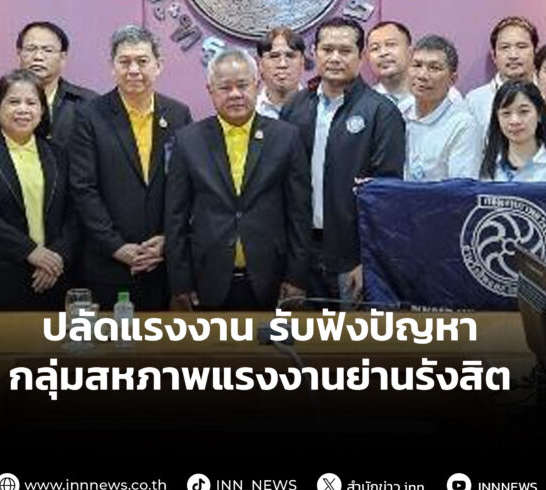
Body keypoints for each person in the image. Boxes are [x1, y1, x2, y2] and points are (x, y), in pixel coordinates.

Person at [165, 49, 310, 309]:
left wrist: (297, 276)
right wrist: (180, 281)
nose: (235, 94)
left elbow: (299, 214)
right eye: (224, 87)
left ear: (256, 84)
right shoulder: (188, 141)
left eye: (242, 85)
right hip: (206, 277)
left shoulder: (286, 137)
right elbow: (175, 217)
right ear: (210, 91)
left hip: (272, 277)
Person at [280, 16, 405, 302]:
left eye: (345, 51)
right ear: (314, 53)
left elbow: (386, 195)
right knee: (302, 330)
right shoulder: (295, 108)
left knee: (351, 332)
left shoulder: (382, 113)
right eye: (327, 49)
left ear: (361, 56)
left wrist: (368, 259)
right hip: (300, 251)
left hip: (353, 258)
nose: (335, 58)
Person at [70, 25, 191, 310]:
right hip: (109, 263)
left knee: (162, 338)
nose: (133, 70)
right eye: (124, 62)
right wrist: (115, 246)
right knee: (111, 338)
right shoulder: (89, 116)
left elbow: (188, 186)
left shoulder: (178, 114)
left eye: (142, 61)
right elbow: (83, 188)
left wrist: (168, 239)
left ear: (159, 65)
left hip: (164, 263)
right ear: (112, 67)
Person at [0, 70, 79, 309]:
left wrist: (55, 258)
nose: (23, 109)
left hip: (52, 276)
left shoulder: (58, 154)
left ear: (42, 111)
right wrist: (30, 251)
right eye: (13, 102)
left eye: (31, 103)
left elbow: (74, 213)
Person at [0, 21, 97, 147]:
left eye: (48, 50)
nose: (38, 57)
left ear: (63, 57)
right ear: (19, 54)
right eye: (31, 49)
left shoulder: (86, 102)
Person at [404, 34, 480, 181]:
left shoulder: (463, 125)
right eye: (417, 65)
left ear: (452, 79)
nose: (422, 75)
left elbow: (461, 188)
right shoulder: (398, 113)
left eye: (434, 68)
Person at [479, 81, 546, 182]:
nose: (514, 121)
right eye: (506, 113)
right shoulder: (488, 166)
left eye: (524, 111)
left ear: (539, 114)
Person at [466, 16, 539, 140]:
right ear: (494, 56)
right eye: (505, 47)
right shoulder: (475, 101)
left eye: (521, 46)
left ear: (535, 51)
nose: (513, 55)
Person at [255, 26, 307, 119]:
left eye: (290, 56)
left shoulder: (318, 109)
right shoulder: (249, 112)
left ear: (302, 62)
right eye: (274, 56)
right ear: (260, 64)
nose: (282, 64)